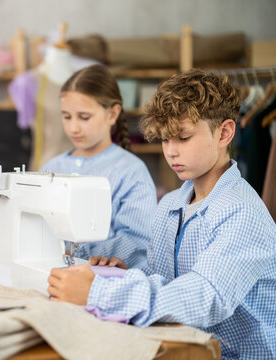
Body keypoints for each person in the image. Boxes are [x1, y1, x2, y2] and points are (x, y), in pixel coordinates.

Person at [47, 69, 276, 358]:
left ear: (225, 133)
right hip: (186, 346)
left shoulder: (242, 214)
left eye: (183, 138)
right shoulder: (171, 204)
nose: (171, 152)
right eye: (166, 140)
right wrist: (125, 275)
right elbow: (165, 278)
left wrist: (100, 294)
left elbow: (204, 298)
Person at [40, 65, 157, 269]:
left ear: (112, 114)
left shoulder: (131, 172)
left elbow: (137, 240)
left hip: (102, 278)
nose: (73, 127)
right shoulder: (52, 167)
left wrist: (84, 254)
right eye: (66, 116)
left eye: (84, 117)